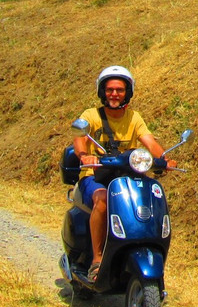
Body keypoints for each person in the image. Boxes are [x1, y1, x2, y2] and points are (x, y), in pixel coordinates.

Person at [73, 65, 175, 282]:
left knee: (151, 195)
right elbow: (79, 139)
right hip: (94, 176)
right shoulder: (90, 116)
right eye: (110, 90)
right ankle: (98, 260)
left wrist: (163, 160)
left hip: (125, 176)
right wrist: (84, 156)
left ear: (127, 92)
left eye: (119, 90)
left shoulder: (133, 118)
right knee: (101, 199)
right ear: (102, 92)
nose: (114, 94)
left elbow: (149, 141)